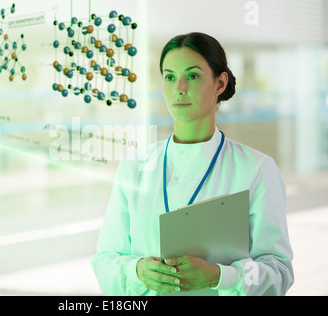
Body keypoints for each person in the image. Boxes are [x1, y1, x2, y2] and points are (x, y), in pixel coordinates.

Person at [90, 32, 294, 296]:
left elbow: (279, 271)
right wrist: (137, 270)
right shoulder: (134, 167)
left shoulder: (256, 169)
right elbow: (105, 259)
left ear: (220, 83)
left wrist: (219, 276)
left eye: (193, 76)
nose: (179, 88)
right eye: (170, 77)